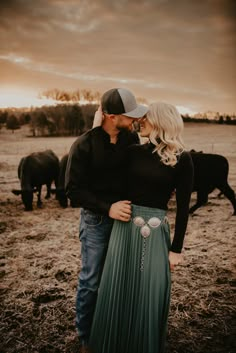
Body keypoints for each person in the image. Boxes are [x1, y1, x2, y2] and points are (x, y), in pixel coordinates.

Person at [89, 102, 194, 353]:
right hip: (124, 230)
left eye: (146, 118)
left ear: (160, 121)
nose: (141, 122)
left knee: (149, 294)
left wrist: (176, 249)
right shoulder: (133, 152)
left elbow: (182, 208)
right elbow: (102, 170)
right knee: (118, 290)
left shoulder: (182, 158)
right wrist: (97, 129)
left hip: (156, 233)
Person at [65, 88, 148, 353]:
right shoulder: (84, 145)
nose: (134, 119)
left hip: (127, 219)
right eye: (129, 115)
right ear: (111, 116)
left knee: (119, 278)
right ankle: (86, 338)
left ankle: (115, 328)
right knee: (92, 280)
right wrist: (106, 207)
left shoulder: (131, 138)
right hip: (96, 222)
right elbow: (73, 190)